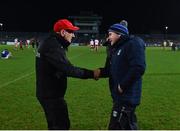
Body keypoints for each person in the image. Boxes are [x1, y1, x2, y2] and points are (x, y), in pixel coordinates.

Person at [35, 19, 95, 130]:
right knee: (61, 126)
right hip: (51, 96)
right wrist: (93, 74)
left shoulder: (51, 42)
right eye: (71, 32)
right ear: (63, 32)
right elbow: (69, 69)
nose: (73, 35)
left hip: (49, 93)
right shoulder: (53, 46)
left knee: (56, 125)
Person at [94, 20, 146, 130]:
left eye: (110, 34)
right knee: (127, 125)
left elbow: (138, 67)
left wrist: (122, 86)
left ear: (119, 34)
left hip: (127, 96)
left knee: (116, 126)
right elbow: (110, 70)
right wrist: (98, 72)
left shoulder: (132, 44)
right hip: (119, 96)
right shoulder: (116, 48)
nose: (108, 37)